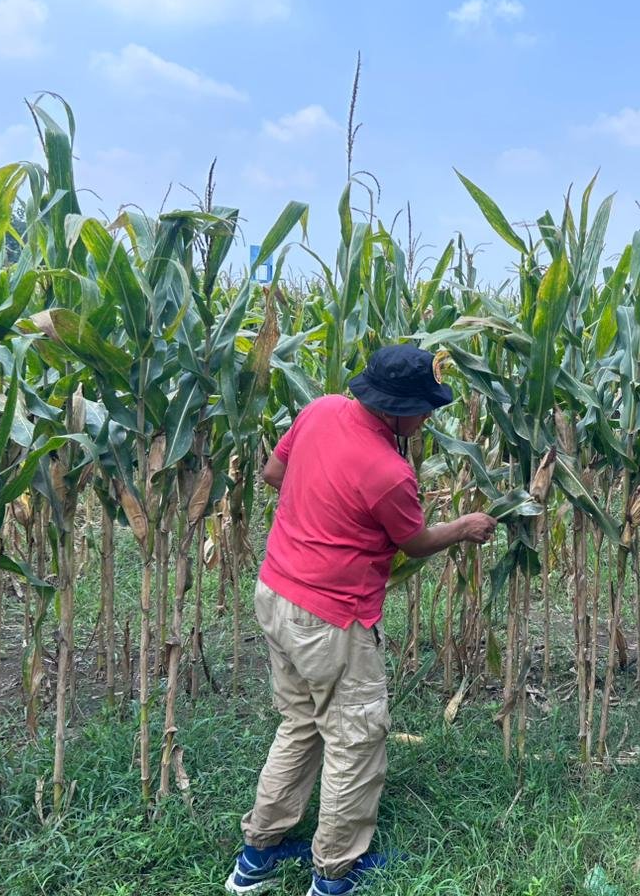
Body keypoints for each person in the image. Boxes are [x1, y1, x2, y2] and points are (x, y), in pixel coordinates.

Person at [226, 345, 498, 896]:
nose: (428, 420)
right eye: (423, 409)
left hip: (275, 591)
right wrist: (465, 527)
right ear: (396, 408)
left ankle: (257, 855)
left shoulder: (319, 409)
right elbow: (415, 542)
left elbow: (274, 473)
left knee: (300, 724)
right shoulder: (389, 472)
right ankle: (335, 873)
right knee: (354, 739)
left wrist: (320, 505)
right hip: (331, 619)